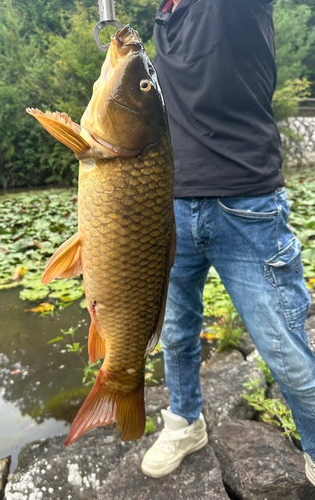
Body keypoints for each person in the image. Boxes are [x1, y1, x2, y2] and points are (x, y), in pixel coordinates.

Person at [140, 0, 315, 486]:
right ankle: (185, 420)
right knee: (175, 333)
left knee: (286, 353)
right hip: (170, 205)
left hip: (248, 207)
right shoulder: (165, 14)